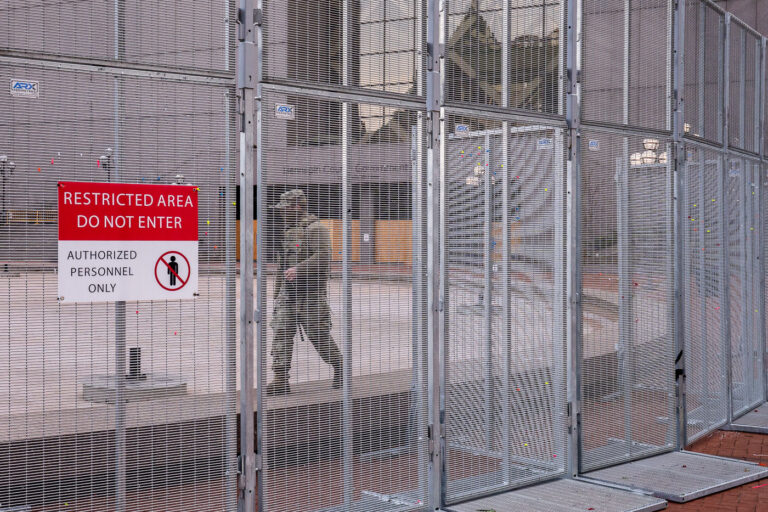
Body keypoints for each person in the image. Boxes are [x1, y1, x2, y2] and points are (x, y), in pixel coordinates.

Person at [267, 189, 343, 396]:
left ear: (297, 207)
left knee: (318, 335)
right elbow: (282, 265)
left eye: (286, 208)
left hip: (310, 295)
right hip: (288, 294)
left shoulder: (315, 229)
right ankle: (281, 379)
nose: (282, 213)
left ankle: (340, 366)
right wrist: (278, 293)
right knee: (281, 333)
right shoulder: (289, 230)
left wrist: (299, 269)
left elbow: (324, 257)